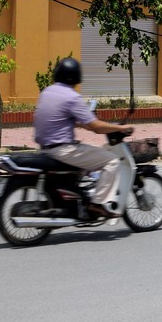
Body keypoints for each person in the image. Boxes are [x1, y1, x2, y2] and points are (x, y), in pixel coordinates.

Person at [33, 57, 132, 217]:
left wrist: (84, 122)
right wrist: (120, 127)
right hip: (62, 150)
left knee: (86, 157)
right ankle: (97, 204)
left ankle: (79, 197)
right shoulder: (72, 97)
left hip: (45, 148)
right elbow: (96, 127)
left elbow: (63, 119)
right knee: (111, 160)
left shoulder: (47, 91)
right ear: (76, 77)